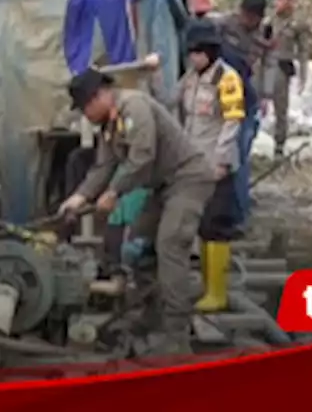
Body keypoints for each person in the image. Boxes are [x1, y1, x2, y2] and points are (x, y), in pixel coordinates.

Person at [56, 69, 216, 356]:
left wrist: (115, 192)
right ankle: (152, 314)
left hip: (187, 179)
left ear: (98, 97)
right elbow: (103, 166)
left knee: (170, 246)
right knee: (137, 246)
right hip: (162, 187)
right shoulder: (109, 124)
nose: (84, 114)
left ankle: (177, 336)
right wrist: (78, 198)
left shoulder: (134, 107)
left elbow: (142, 156)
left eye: (84, 107)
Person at [176, 23, 246, 313]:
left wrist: (221, 159)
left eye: (196, 53)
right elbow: (173, 103)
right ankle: (207, 287)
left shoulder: (227, 79)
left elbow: (232, 122)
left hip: (217, 164)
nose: (192, 58)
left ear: (208, 51)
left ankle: (217, 293)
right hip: (195, 163)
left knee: (217, 226)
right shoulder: (190, 79)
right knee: (203, 225)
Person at [208, 0, 273, 238]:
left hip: (246, 102)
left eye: (253, 17)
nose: (248, 21)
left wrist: (266, 94)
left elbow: (269, 63)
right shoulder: (224, 25)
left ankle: (239, 215)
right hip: (222, 100)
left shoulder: (264, 37)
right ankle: (226, 212)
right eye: (245, 15)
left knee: (240, 158)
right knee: (225, 155)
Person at [270, 0, 309, 159]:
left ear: (290, 1)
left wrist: (303, 76)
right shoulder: (270, 19)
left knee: (281, 109)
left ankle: (279, 145)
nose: (276, 3)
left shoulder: (298, 23)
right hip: (267, 65)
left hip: (283, 66)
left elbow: (303, 51)